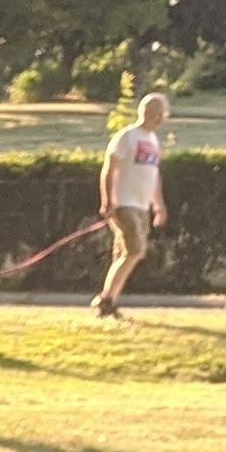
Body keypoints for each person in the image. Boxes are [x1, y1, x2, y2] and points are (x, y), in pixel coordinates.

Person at [97, 91, 169, 317]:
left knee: (126, 254)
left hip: (141, 206)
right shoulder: (127, 137)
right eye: (160, 113)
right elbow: (109, 168)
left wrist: (159, 205)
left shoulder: (153, 140)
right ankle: (106, 300)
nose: (162, 118)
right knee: (135, 250)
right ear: (151, 113)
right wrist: (107, 200)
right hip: (123, 204)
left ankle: (109, 303)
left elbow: (153, 175)